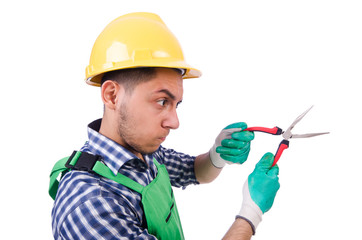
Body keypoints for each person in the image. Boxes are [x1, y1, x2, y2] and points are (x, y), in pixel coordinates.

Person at [49, 12, 280, 240]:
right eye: (161, 101)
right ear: (112, 96)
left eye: (176, 105)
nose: (175, 122)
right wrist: (251, 214)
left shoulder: (140, 149)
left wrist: (216, 155)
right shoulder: (91, 206)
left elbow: (193, 170)